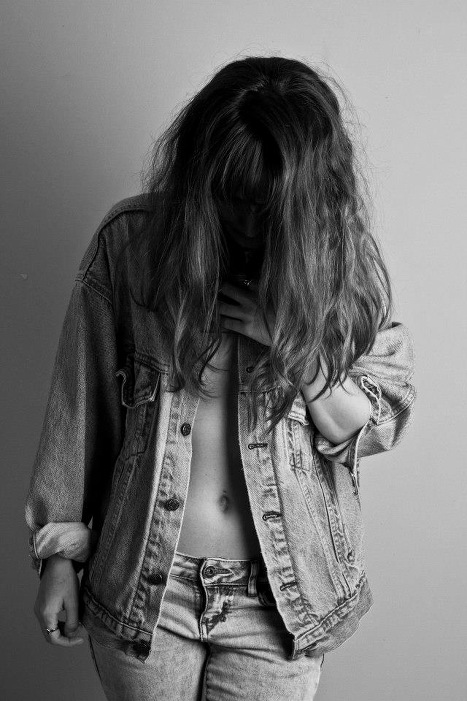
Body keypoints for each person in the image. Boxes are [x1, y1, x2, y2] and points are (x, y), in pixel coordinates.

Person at [24, 55, 416, 701]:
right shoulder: (132, 246)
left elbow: (376, 422)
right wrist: (59, 556)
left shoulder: (335, 263)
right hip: (147, 589)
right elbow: (78, 407)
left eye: (267, 205)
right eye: (232, 196)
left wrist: (291, 343)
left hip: (279, 601)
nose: (247, 223)